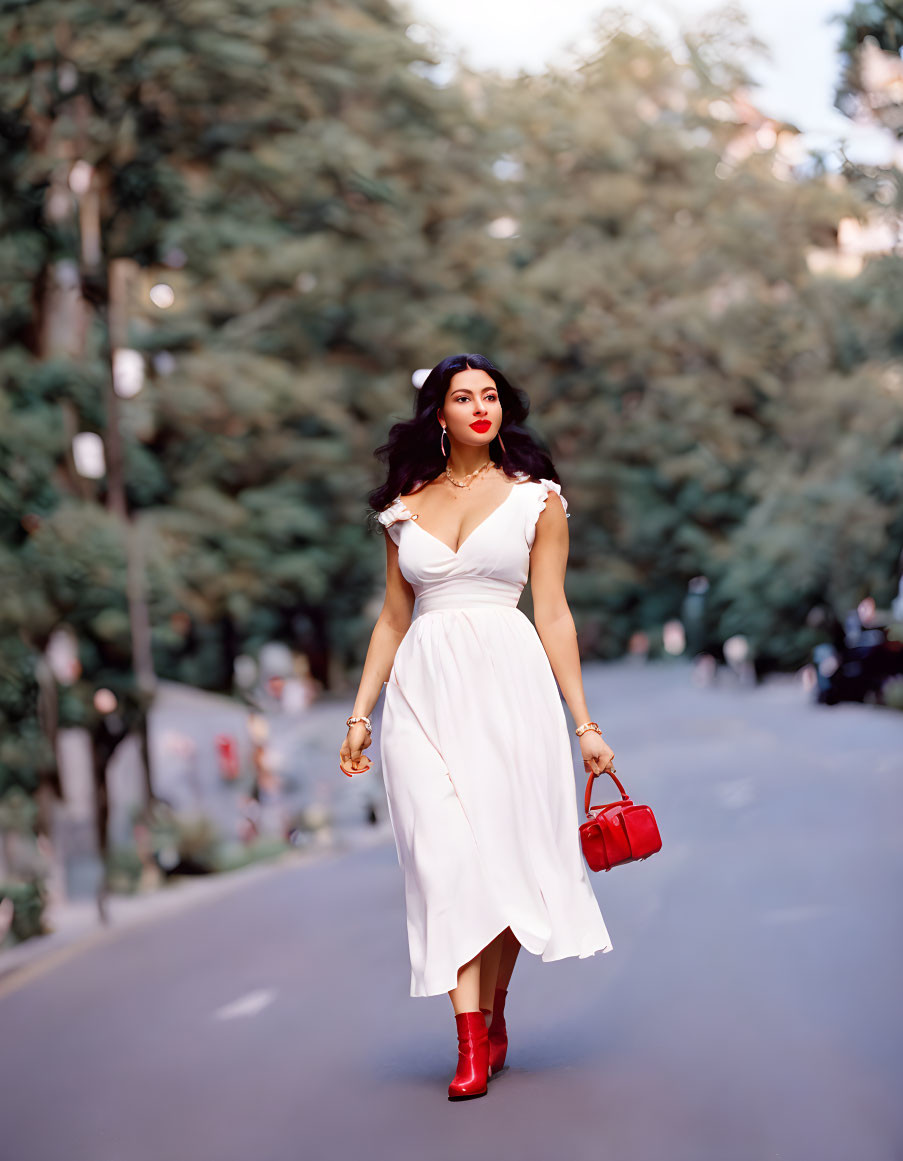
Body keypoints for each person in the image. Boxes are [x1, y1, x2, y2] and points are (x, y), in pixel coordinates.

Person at [339, 353, 616, 1101]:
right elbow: (393, 617)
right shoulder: (402, 506)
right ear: (439, 414)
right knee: (447, 858)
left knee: (503, 860)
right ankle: (467, 1042)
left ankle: (489, 1016)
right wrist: (361, 712)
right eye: (463, 397)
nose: (479, 407)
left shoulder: (536, 500)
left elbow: (552, 613)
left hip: (510, 688)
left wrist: (583, 723)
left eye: (489, 395)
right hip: (423, 695)